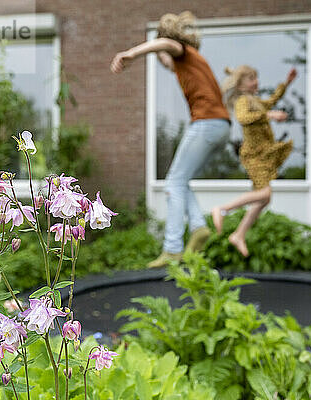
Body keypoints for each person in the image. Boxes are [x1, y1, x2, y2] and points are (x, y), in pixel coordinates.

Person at [110, 11, 231, 268]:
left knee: (173, 182)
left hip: (207, 123)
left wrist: (131, 53)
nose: (162, 60)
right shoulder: (194, 62)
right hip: (220, 126)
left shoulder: (182, 51)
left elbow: (166, 44)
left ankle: (172, 248)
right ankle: (198, 227)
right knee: (181, 180)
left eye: (160, 56)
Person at [212, 65, 297, 257]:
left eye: (256, 78)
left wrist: (287, 83)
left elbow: (271, 100)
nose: (256, 82)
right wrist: (270, 115)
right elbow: (242, 118)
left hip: (263, 153)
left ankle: (239, 235)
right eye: (251, 79)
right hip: (254, 155)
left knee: (264, 198)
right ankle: (222, 209)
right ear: (241, 86)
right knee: (265, 193)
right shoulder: (243, 101)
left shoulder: (254, 100)